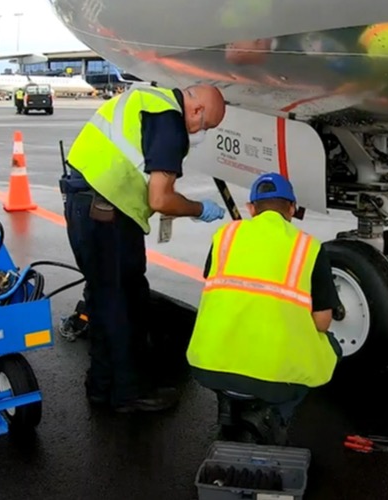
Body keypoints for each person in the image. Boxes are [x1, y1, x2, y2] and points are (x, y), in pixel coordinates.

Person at [59, 82, 228, 413]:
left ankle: (101, 386)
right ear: (195, 110)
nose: (200, 133)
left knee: (104, 297)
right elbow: (160, 197)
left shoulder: (147, 100)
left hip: (87, 204)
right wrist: (197, 209)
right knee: (125, 302)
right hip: (107, 214)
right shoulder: (169, 121)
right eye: (205, 126)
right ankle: (128, 393)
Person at [186, 173, 343, 445]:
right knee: (330, 347)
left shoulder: (225, 236)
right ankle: (272, 414)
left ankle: (228, 405)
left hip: (206, 365)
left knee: (233, 338)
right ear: (292, 209)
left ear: (251, 208)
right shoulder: (308, 247)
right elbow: (322, 322)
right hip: (271, 377)